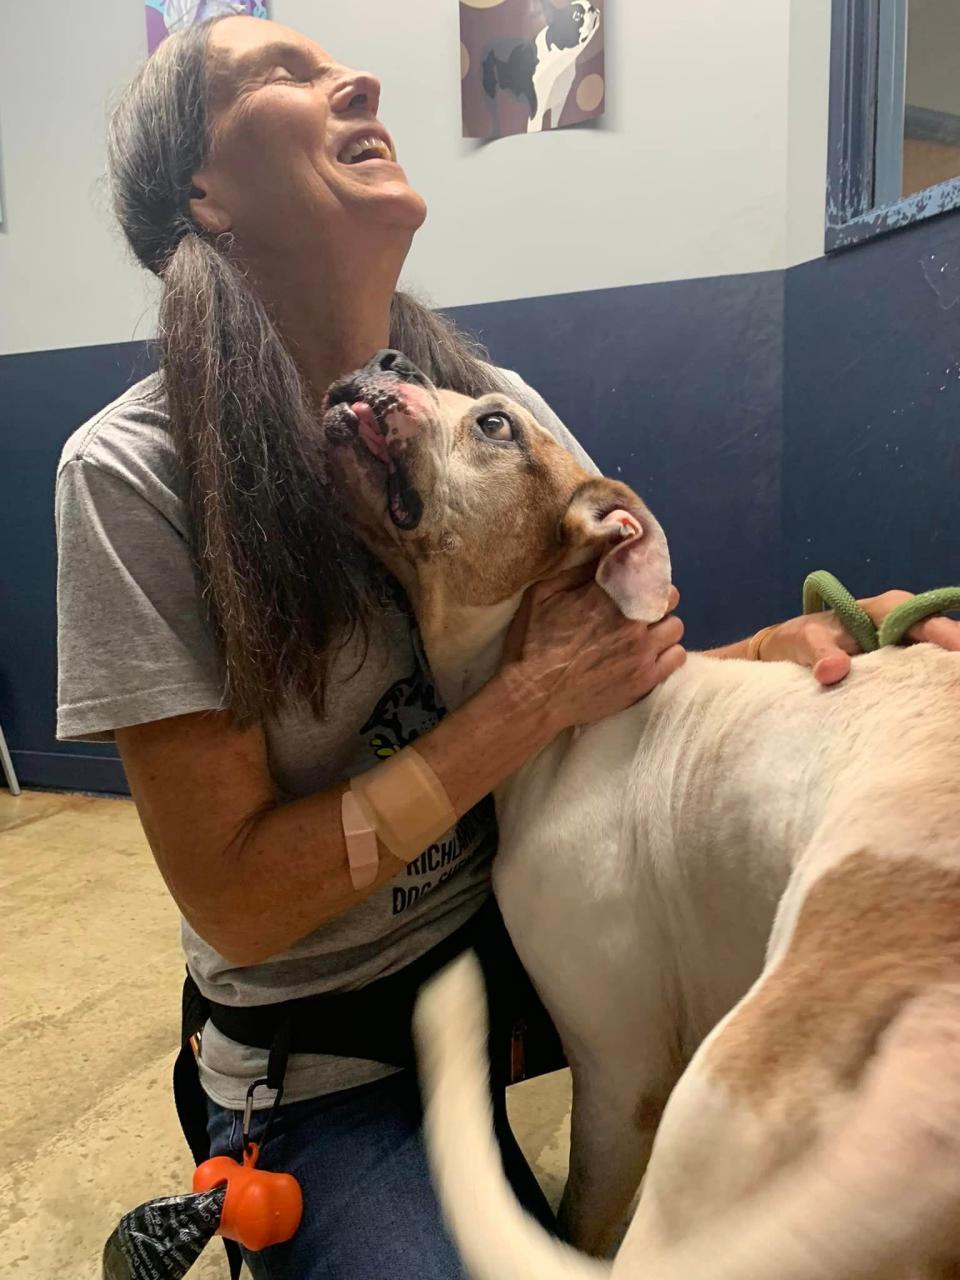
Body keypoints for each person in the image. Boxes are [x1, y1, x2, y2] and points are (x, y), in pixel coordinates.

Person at [54, 15, 960, 1280]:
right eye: (277, 75)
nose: (354, 79)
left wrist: (800, 649)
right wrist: (525, 705)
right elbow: (238, 901)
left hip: (529, 957)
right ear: (199, 192)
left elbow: (614, 667)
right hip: (334, 1050)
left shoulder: (490, 402)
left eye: (337, 64)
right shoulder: (132, 474)